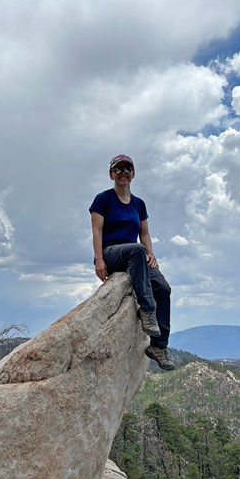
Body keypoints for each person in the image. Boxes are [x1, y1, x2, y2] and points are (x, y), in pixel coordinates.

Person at [89, 154, 175, 371]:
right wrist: (99, 260)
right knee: (136, 249)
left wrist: (151, 253)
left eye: (127, 169)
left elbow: (144, 234)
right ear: (111, 175)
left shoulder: (138, 204)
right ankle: (147, 311)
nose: (123, 173)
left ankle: (159, 347)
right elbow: (97, 230)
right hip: (111, 253)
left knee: (164, 288)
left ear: (133, 173)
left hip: (135, 257)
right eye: (118, 170)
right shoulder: (103, 199)